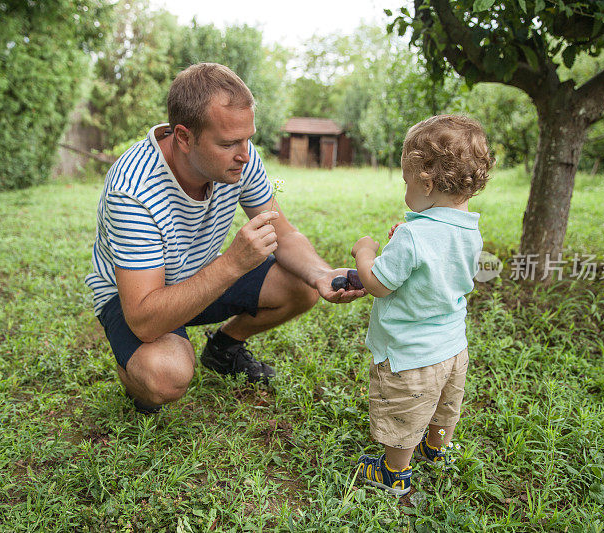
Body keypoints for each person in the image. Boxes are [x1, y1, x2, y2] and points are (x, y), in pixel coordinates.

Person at [85, 63, 364, 413]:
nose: (245, 155)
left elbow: (285, 234)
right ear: (184, 138)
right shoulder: (133, 190)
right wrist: (232, 264)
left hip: (199, 275)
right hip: (136, 299)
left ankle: (223, 348)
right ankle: (133, 371)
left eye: (248, 138)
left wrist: (321, 274)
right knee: (166, 374)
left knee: (302, 284)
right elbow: (144, 319)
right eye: (229, 142)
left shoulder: (239, 160)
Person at [350, 115, 493, 495]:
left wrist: (366, 253)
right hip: (453, 350)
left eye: (407, 181)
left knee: (405, 416)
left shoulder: (413, 235)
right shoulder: (470, 229)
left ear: (426, 182)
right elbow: (437, 268)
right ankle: (436, 450)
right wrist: (405, 244)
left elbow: (378, 284)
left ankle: (394, 473)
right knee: (444, 407)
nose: (405, 190)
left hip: (410, 357)